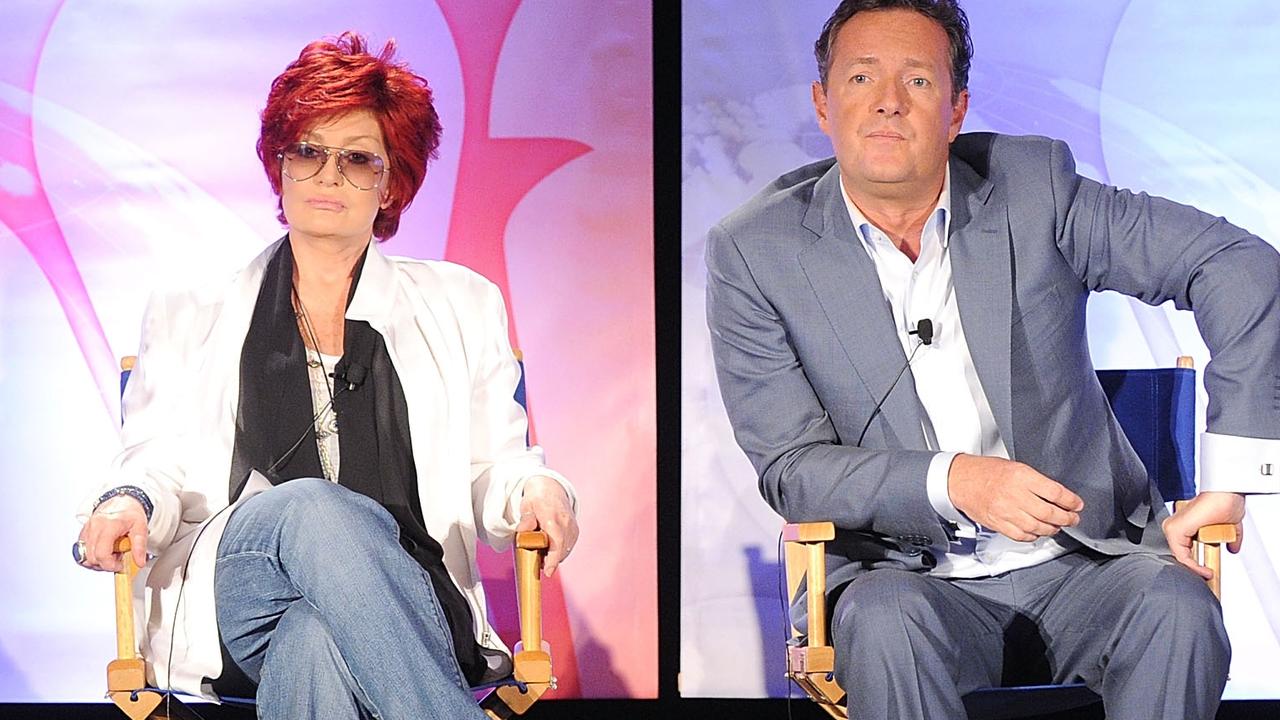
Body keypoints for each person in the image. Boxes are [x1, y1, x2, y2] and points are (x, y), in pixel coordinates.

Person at [705, 1, 1279, 718]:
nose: (887, 102)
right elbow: (793, 469)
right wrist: (955, 481)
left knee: (1178, 608)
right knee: (885, 623)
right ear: (823, 103)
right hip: (906, 583)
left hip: (1085, 566)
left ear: (956, 109)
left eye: (917, 81)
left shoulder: (1034, 189)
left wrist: (1233, 477)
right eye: (859, 78)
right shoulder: (756, 252)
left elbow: (1238, 265)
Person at [72, 33, 579, 719]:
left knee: (312, 641)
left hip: (409, 589)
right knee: (311, 506)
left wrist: (539, 489)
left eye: (357, 159)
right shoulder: (192, 307)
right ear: (279, 164)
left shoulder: (463, 302)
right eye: (307, 152)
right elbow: (154, 458)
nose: (327, 176)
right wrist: (127, 500)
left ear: (393, 180)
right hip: (244, 584)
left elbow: (499, 465)